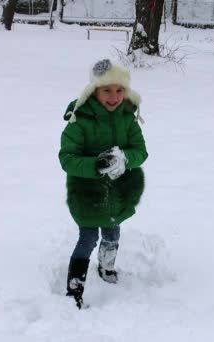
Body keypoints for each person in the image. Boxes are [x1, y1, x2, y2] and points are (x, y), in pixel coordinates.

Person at [58, 59, 148, 309]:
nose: (114, 96)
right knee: (87, 238)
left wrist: (124, 158)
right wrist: (96, 165)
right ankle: (74, 287)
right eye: (106, 90)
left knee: (112, 231)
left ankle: (107, 267)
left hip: (118, 191)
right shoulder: (80, 120)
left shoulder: (128, 119)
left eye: (119, 90)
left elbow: (141, 151)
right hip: (87, 192)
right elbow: (67, 158)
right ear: (94, 90)